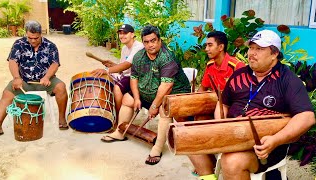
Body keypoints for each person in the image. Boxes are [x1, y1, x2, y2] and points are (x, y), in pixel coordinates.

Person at [193, 30, 315, 180]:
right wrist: (221, 125)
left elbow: (307, 117)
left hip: (266, 146)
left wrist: (275, 140)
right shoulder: (239, 75)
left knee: (232, 162)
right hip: (233, 135)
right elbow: (223, 104)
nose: (252, 53)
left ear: (274, 54)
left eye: (260, 49)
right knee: (189, 137)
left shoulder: (287, 80)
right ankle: (208, 176)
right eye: (251, 47)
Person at [100, 25, 191, 165]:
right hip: (149, 91)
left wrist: (154, 106)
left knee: (163, 110)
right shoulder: (139, 56)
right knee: (127, 99)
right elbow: (134, 78)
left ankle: (157, 147)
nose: (150, 45)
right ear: (143, 42)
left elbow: (166, 86)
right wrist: (136, 98)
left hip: (172, 94)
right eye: (147, 42)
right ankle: (120, 132)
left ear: (159, 40)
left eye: (153, 41)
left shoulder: (167, 57)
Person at [0, 20, 69, 136]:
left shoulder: (51, 46)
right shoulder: (18, 44)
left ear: (41, 34)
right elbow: (12, 61)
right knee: (7, 93)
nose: (33, 41)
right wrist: (16, 77)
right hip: (23, 80)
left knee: (61, 87)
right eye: (30, 38)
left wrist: (47, 77)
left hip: (45, 80)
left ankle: (62, 119)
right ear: (26, 33)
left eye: (36, 38)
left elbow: (55, 63)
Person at [189, 31, 245, 176]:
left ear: (220, 47)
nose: (206, 49)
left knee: (217, 122)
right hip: (215, 105)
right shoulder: (210, 65)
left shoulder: (237, 66)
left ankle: (225, 161)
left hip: (233, 109)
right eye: (206, 45)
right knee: (198, 121)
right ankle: (208, 164)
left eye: (209, 45)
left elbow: (244, 95)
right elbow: (203, 88)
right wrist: (194, 103)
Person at [91, 24, 144, 121]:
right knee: (104, 79)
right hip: (126, 76)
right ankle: (103, 112)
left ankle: (119, 119)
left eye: (125, 33)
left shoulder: (139, 47)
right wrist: (112, 65)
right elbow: (121, 69)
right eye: (120, 33)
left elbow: (127, 65)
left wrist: (107, 70)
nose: (122, 36)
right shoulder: (124, 48)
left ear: (132, 34)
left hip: (137, 78)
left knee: (117, 88)